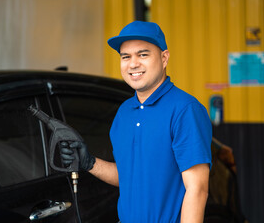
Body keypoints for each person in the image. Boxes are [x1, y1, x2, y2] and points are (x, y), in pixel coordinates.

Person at [60, 21, 212, 223]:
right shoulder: (124, 112)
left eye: (143, 55)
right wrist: (89, 162)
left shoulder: (184, 109)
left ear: (164, 58)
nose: (133, 64)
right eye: (126, 57)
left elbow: (197, 189)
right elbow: (128, 177)